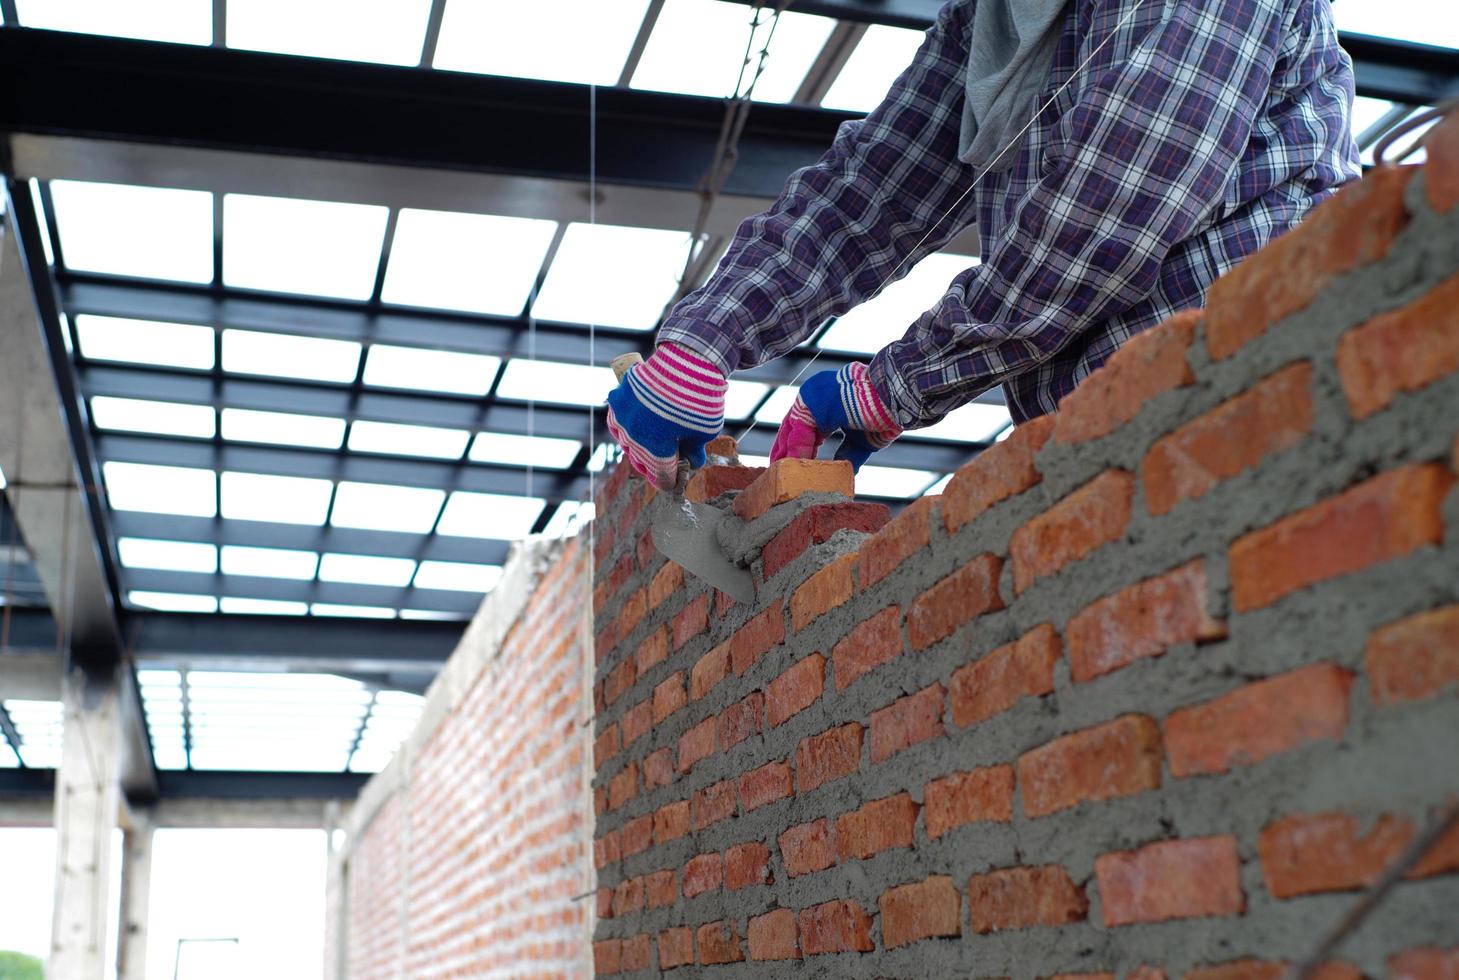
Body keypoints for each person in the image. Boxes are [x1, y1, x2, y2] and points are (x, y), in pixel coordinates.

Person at [606, 0, 1360, 490]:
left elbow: (1111, 207)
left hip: (1263, 399)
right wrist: (704, 342)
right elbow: (875, 185)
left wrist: (896, 383)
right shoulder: (997, 15)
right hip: (1109, 446)